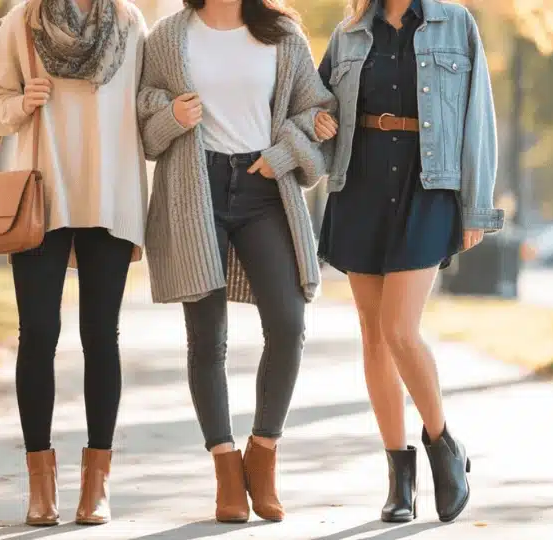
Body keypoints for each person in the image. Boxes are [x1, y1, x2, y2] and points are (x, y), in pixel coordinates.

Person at [137, 0, 338, 523]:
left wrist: (283, 154)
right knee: (207, 338)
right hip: (194, 189)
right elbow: (145, 128)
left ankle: (263, 453)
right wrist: (171, 117)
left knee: (288, 324)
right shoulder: (167, 37)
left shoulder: (282, 35)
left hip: (263, 187)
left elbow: (318, 112)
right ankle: (226, 468)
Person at [316, 0, 503, 524]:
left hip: (428, 188)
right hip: (361, 187)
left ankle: (443, 446)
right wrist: (317, 118)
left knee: (399, 329)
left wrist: (475, 205)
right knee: (373, 335)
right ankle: (400, 477)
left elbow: (478, 118)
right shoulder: (349, 32)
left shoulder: (456, 23)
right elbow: (312, 101)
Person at [0, 0, 148, 527]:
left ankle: (97, 484)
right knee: (38, 333)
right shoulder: (24, 21)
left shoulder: (128, 23)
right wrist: (20, 103)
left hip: (109, 195)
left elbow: (147, 107)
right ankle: (41, 485)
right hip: (40, 196)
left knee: (101, 335)